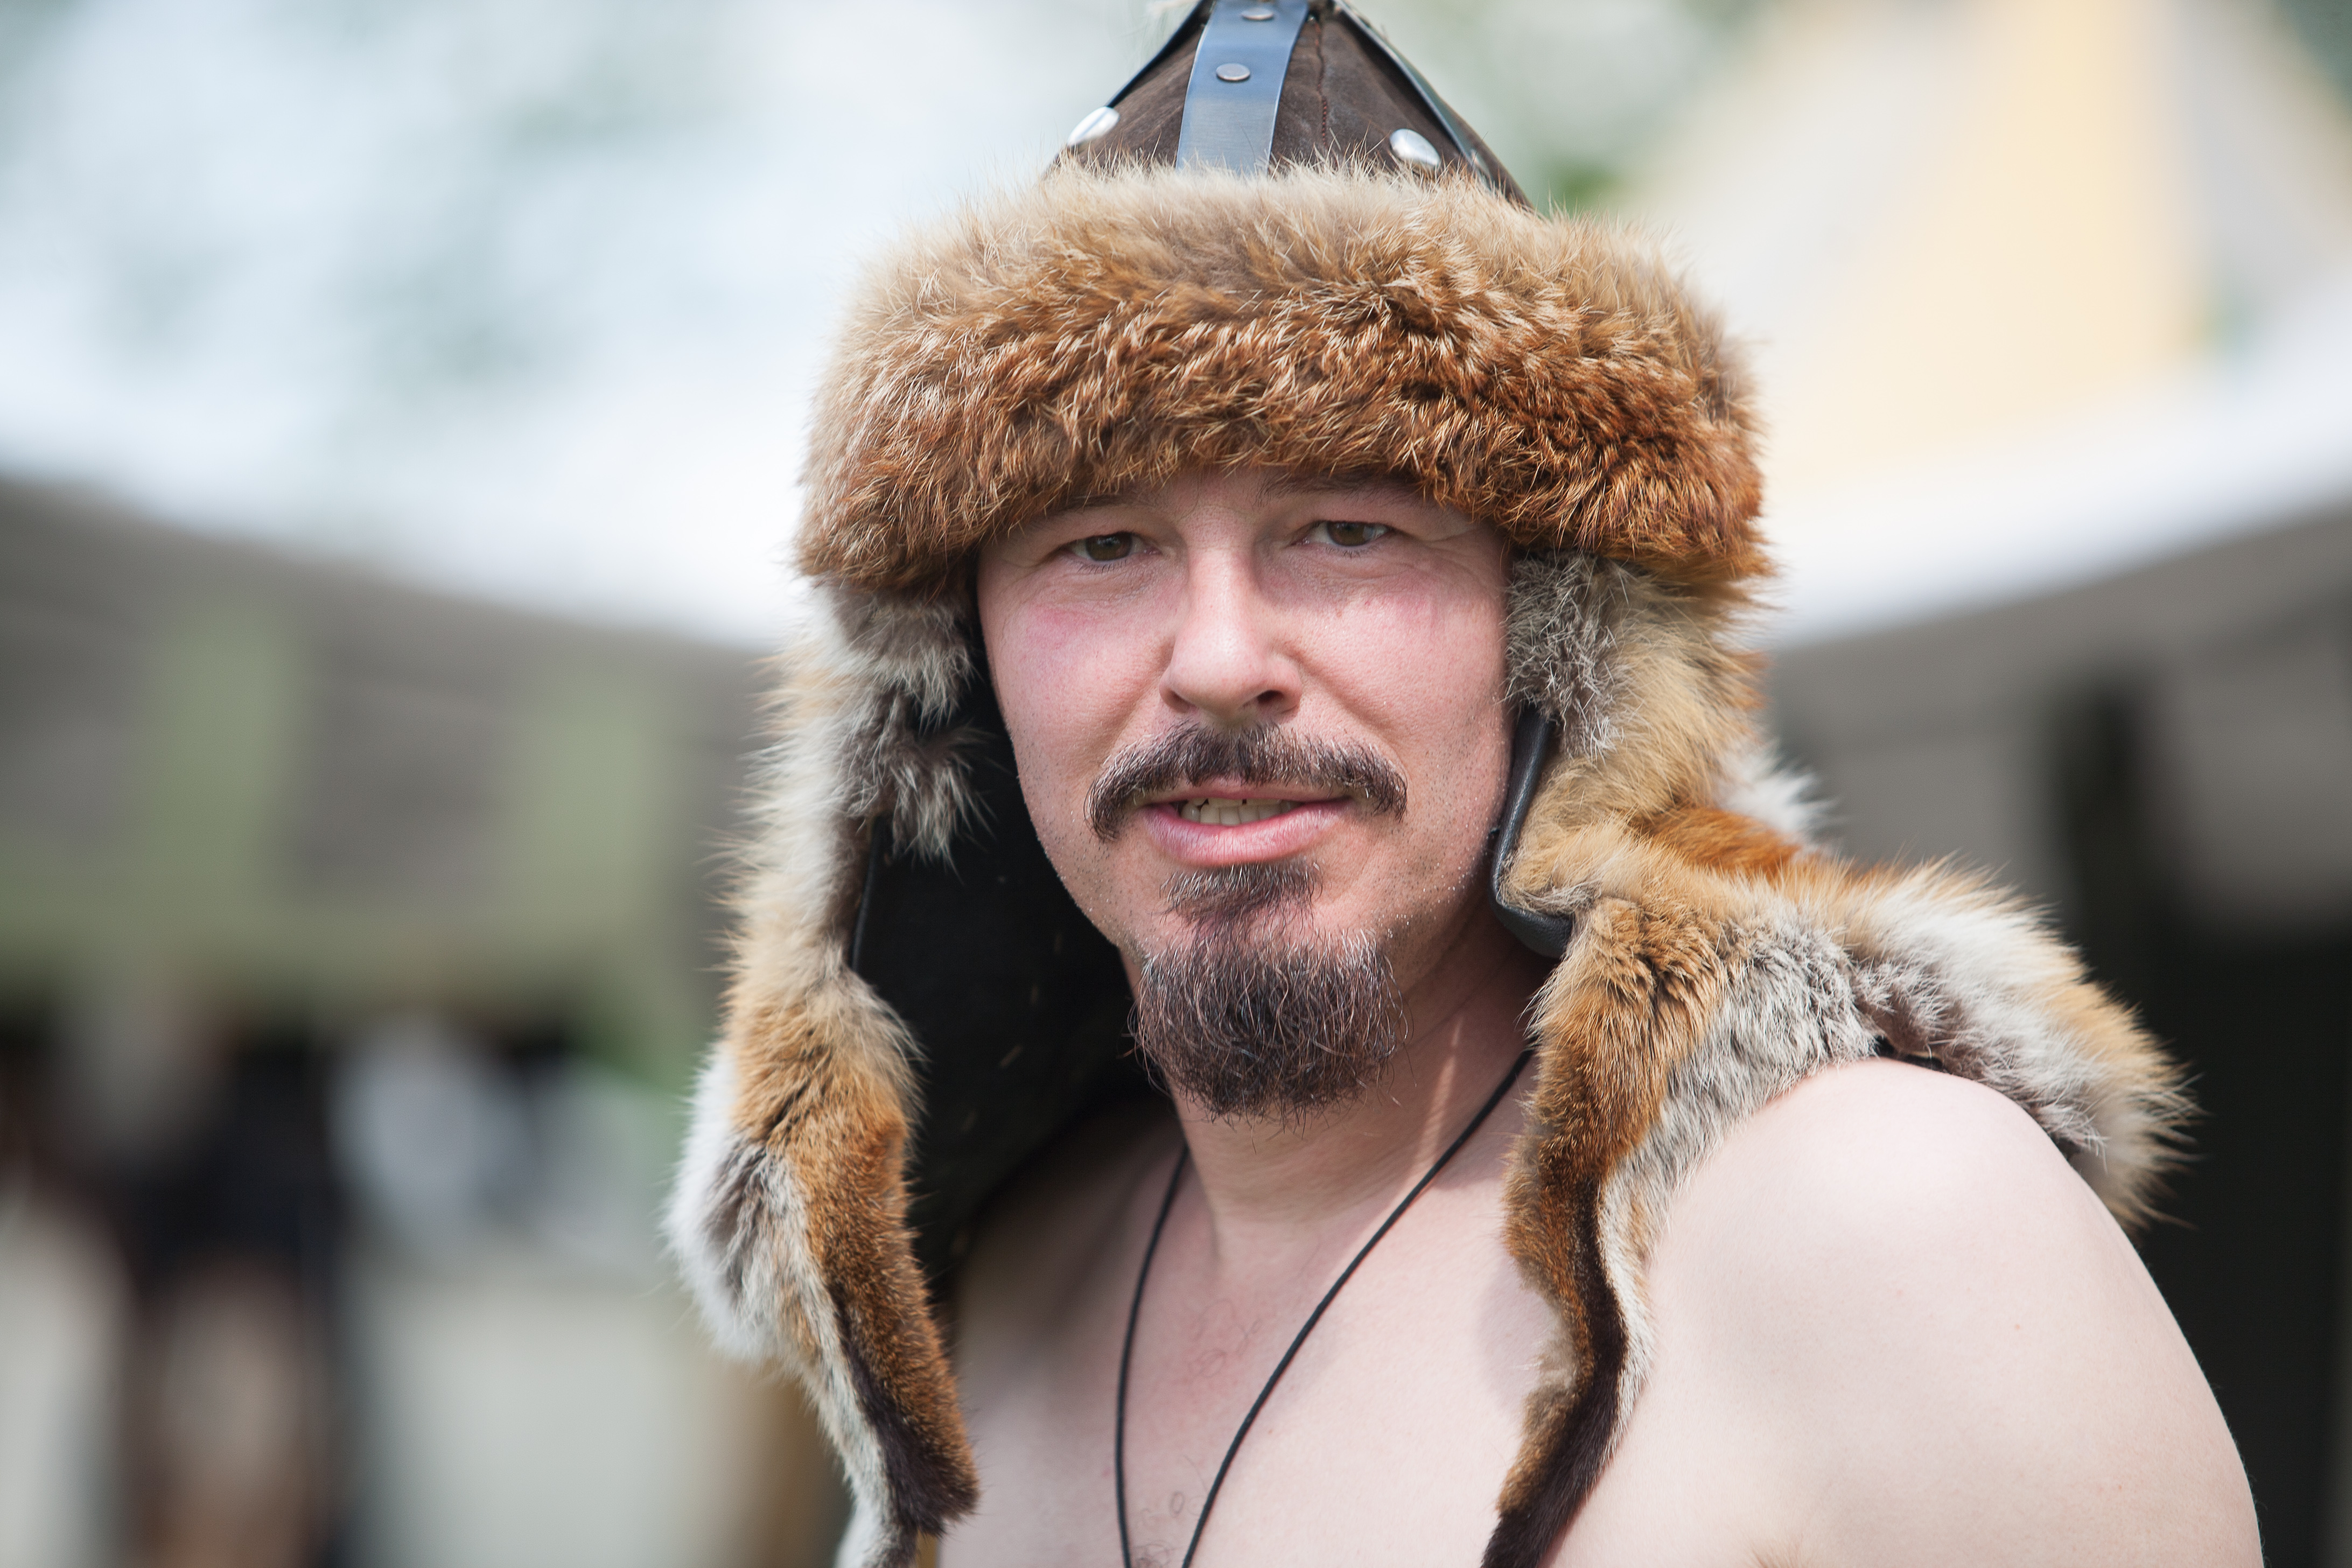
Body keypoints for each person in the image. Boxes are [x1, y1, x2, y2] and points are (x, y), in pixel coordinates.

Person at [668, 4, 2260, 1565]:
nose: (1218, 658)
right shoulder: (987, 1297)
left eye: (1348, 528)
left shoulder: (1890, 1230)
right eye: (1102, 546)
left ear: (1557, 640)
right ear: (960, 676)